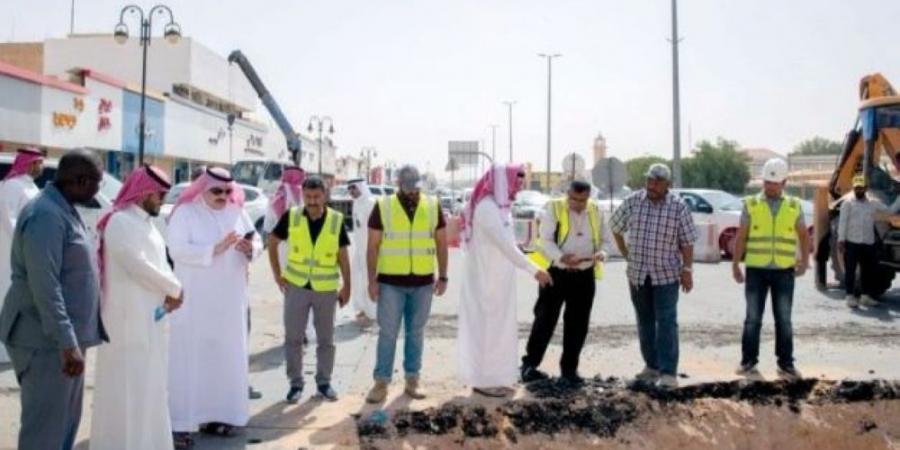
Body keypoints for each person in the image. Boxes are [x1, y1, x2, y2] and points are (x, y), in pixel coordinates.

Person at [0, 149, 107, 450]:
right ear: (80, 180)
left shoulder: (63, 208)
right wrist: (67, 342)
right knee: (44, 432)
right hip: (45, 342)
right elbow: (44, 286)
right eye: (97, 183)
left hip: (62, 342)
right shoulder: (45, 216)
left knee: (62, 427)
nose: (99, 191)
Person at [90, 166, 184, 450]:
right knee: (126, 390)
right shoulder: (120, 222)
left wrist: (171, 288)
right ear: (143, 192)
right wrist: (175, 288)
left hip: (149, 319)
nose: (162, 200)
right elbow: (137, 264)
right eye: (159, 195)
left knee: (148, 389)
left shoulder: (146, 224)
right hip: (126, 323)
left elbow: (161, 265)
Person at [165, 167, 262, 444]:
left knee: (227, 355)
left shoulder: (236, 212)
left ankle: (224, 416)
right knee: (190, 357)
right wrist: (214, 249)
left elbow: (257, 241)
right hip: (195, 301)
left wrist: (250, 250)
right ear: (203, 188)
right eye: (216, 191)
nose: (223, 196)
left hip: (230, 302)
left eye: (228, 191)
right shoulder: (185, 213)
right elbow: (176, 250)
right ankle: (183, 421)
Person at [458, 164, 551, 397]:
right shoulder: (488, 209)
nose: (519, 185)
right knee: (487, 330)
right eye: (515, 180)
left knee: (501, 329)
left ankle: (498, 377)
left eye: (521, 180)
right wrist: (534, 269)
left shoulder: (502, 209)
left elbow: (511, 244)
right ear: (502, 181)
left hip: (500, 281)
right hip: (486, 280)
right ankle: (483, 381)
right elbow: (506, 246)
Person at [365, 165, 448, 403]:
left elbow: (441, 243)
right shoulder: (384, 206)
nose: (412, 193)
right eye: (408, 188)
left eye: (416, 189)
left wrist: (443, 275)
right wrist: (372, 281)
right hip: (391, 282)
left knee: (416, 332)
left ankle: (413, 379)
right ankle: (381, 382)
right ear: (399, 184)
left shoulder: (432, 206)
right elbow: (372, 246)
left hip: (422, 282)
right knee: (388, 333)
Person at [610, 163, 696, 389]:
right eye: (649, 180)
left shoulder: (678, 207)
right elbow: (615, 226)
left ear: (668, 185)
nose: (652, 185)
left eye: (657, 182)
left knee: (666, 322)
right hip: (637, 275)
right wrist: (625, 253)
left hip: (666, 276)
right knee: (645, 321)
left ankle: (668, 373)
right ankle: (651, 366)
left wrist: (687, 270)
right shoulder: (633, 202)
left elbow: (687, 242)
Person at [267, 177, 351, 403]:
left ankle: (324, 382)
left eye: (316, 197)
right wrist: (277, 274)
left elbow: (342, 255)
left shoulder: (335, 220)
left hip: (326, 288)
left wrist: (347, 286)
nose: (312, 201)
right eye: (308, 197)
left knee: (326, 339)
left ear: (325, 195)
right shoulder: (292, 216)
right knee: (293, 337)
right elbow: (272, 242)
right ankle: (295, 383)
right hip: (296, 286)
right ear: (303, 195)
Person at [521, 180, 608, 385]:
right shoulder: (554, 208)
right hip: (557, 273)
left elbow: (605, 240)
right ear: (567, 195)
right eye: (573, 199)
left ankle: (569, 370)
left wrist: (601, 253)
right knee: (544, 320)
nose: (577, 204)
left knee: (578, 324)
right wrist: (561, 258)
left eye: (582, 200)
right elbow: (544, 241)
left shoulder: (596, 211)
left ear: (589, 197)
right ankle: (530, 365)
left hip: (584, 275)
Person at [732, 158, 810, 381]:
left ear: (784, 182)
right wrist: (735, 264)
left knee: (784, 319)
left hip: (784, 272)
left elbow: (804, 236)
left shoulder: (794, 206)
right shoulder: (751, 204)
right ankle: (748, 361)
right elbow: (742, 235)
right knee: (752, 318)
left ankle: (786, 364)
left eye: (774, 183)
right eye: (766, 182)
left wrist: (804, 262)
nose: (769, 187)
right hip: (756, 270)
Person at [0, 147, 44, 363]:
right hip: (12, 252)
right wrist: (26, 244)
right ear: (30, 163)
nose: (42, 167)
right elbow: (9, 220)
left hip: (28, 253)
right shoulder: (11, 186)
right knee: (7, 295)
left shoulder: (32, 187)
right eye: (39, 162)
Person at [838, 175, 887, 308]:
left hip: (868, 243)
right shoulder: (847, 203)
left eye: (861, 188)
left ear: (866, 188)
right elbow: (842, 222)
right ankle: (849, 297)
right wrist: (841, 240)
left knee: (867, 271)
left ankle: (865, 297)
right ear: (854, 188)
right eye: (857, 188)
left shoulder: (872, 203)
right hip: (852, 242)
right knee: (850, 270)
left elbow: (889, 210)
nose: (859, 190)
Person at [348, 177, 377, 323]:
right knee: (358, 280)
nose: (351, 191)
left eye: (354, 187)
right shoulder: (356, 204)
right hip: (359, 251)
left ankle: (372, 313)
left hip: (370, 251)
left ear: (361, 187)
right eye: (350, 188)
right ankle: (362, 309)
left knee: (369, 280)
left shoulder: (370, 204)